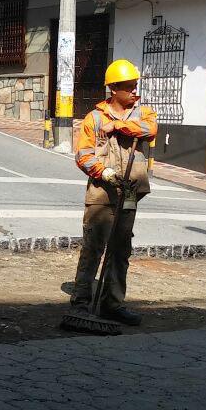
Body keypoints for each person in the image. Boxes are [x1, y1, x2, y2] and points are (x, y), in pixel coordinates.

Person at [69, 59, 158, 326]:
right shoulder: (94, 119)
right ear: (114, 89)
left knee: (121, 250)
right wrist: (103, 172)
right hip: (101, 191)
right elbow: (83, 156)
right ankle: (81, 303)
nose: (134, 92)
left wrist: (119, 127)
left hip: (130, 191)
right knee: (93, 248)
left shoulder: (143, 114)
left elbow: (151, 130)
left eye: (135, 87)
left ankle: (112, 303)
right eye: (129, 87)